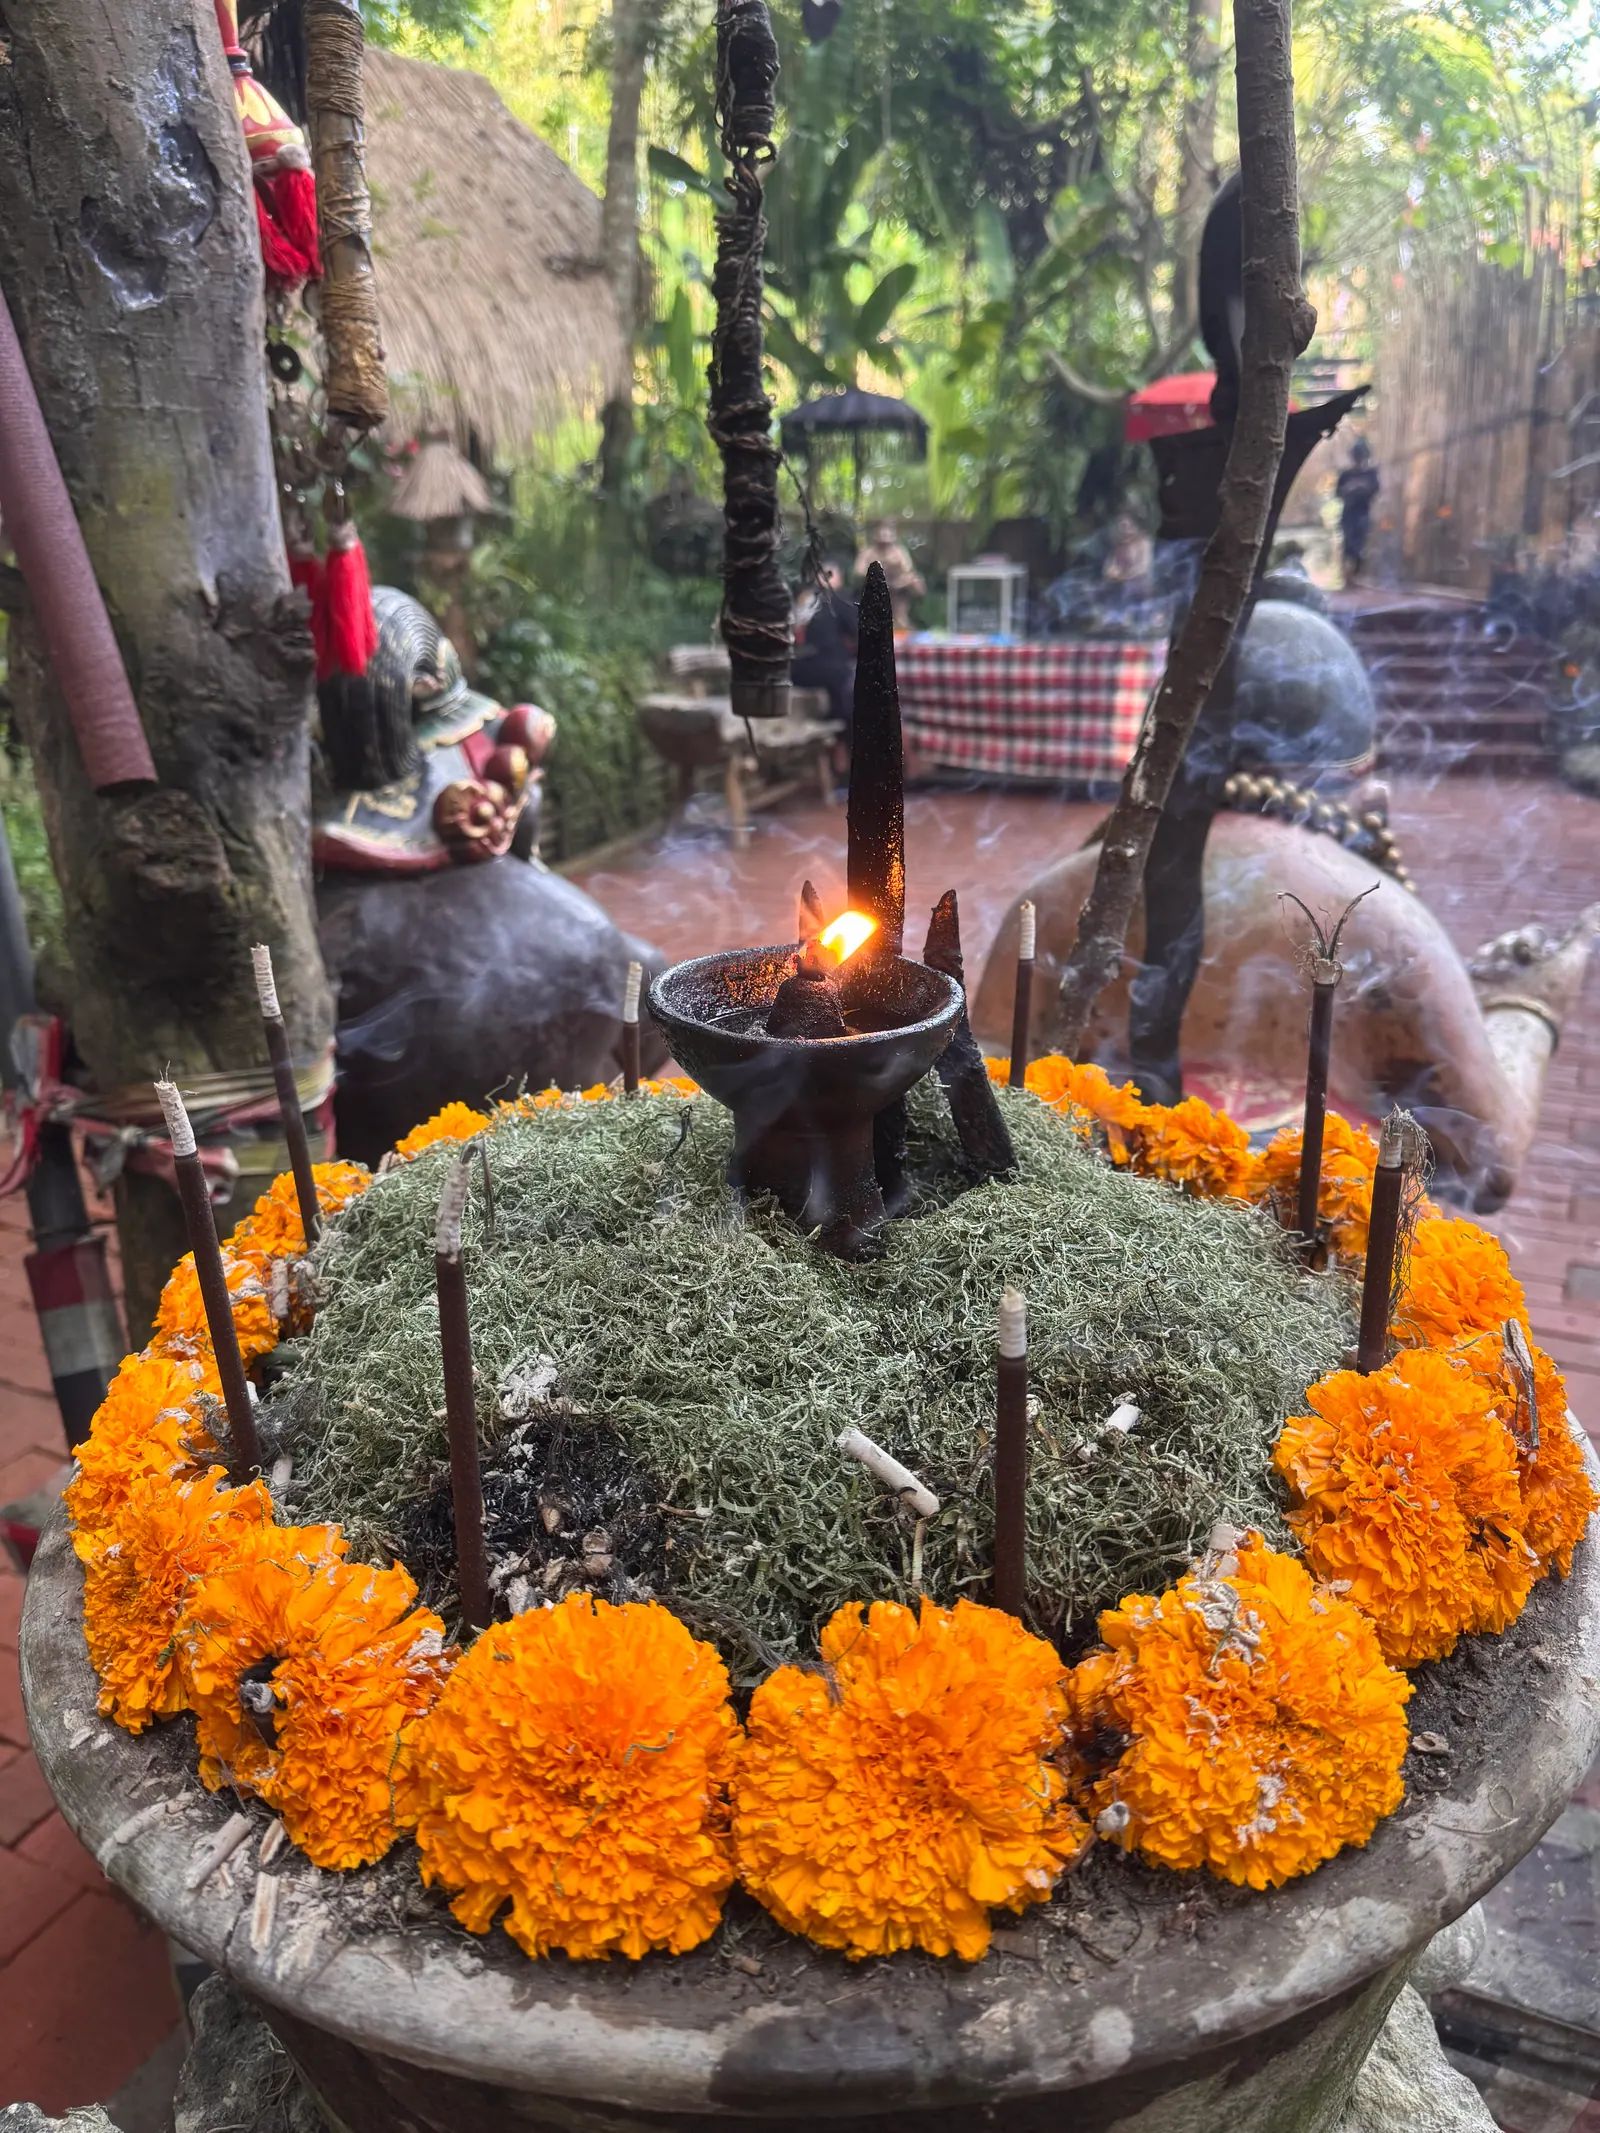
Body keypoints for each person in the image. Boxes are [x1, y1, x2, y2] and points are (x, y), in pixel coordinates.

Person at [792, 562, 858, 731]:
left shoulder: (803, 600)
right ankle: (848, 736)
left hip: (795, 670)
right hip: (829, 670)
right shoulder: (838, 599)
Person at [854, 520, 925, 631]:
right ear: (876, 535)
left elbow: (908, 572)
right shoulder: (868, 553)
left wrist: (902, 580)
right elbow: (859, 572)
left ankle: (901, 622)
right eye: (882, 533)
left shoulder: (899, 552)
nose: (885, 537)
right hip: (874, 593)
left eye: (888, 533)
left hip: (897, 591)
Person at [1336, 440, 1381, 587]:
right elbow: (1338, 493)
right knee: (1348, 543)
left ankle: (1357, 575)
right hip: (1348, 513)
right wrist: (1350, 489)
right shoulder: (1346, 474)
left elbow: (1375, 490)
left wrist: (1361, 488)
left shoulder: (1370, 473)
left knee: (1360, 544)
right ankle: (1348, 576)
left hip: (1363, 513)